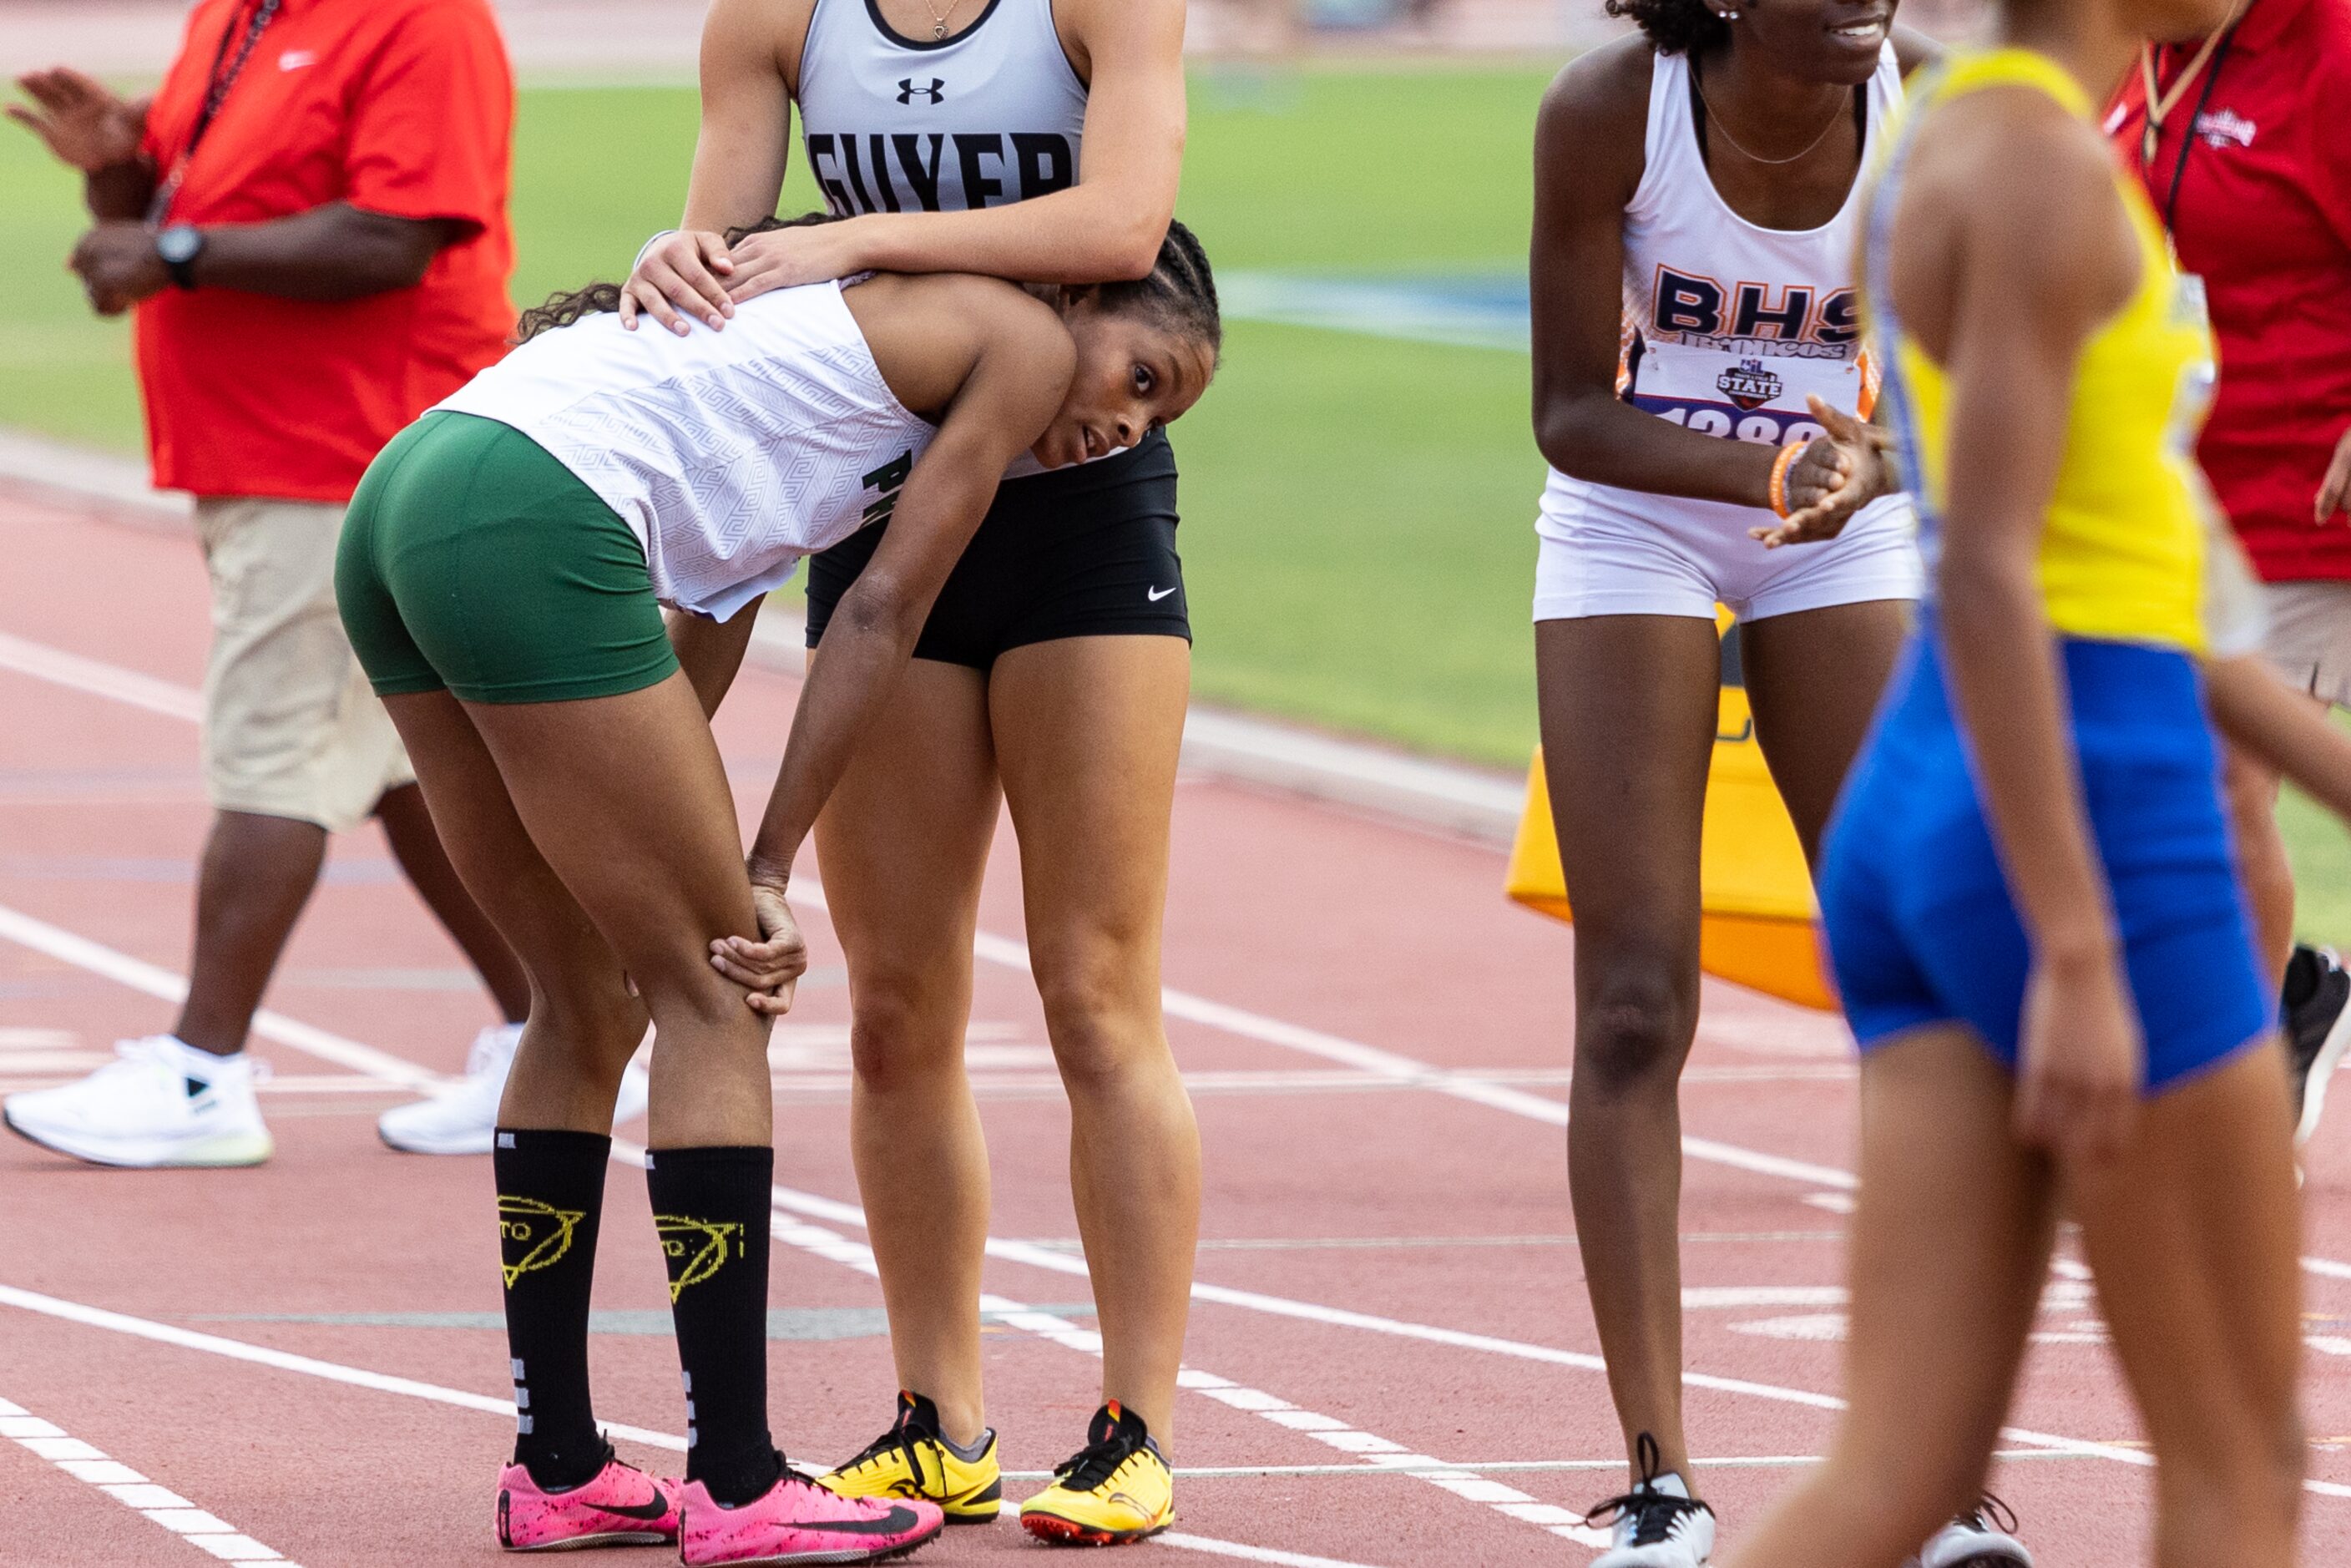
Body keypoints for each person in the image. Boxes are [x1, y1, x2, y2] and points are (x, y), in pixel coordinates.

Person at [333, 220, 1221, 1560]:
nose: (1129, 430)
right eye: (1143, 377)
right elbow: (874, 616)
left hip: (412, 494)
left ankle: (558, 1465)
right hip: (532, 515)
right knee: (717, 991)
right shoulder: (1020, 341)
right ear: (1081, 298)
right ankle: (739, 1483)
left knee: (582, 996)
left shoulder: (839, 347)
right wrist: (753, 871)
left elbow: (711, 613)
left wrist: (671, 847)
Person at [1722, 17, 2314, 1567]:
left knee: (1897, 1470)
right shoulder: (2052, 167)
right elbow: (1993, 577)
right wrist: (2072, 943)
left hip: (1940, 797)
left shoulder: (1946, 131)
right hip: (2089, 809)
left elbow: (2116, 575)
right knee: (2242, 1461)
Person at [619, 0, 1203, 1543]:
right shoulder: (771, 19)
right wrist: (684, 262)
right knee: (891, 1009)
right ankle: (938, 1417)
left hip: (1084, 517)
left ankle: (1134, 1422)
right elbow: (725, 266)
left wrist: (860, 237)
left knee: (1093, 985)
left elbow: (1124, 215)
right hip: (883, 496)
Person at [1529, 5, 2023, 1565]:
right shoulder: (1616, 105)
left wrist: (1871, 469)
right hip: (1642, 514)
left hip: (1853, 505)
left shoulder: (1931, 105)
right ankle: (1661, 1483)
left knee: (1922, 976)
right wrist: (1764, 474)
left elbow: (1978, 380)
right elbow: (1570, 411)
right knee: (1632, 999)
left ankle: (1928, 1475)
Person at [0, 1, 643, 1171]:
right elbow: (180, 215)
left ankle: (204, 1070)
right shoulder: (238, 14)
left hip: (349, 453)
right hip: (261, 446)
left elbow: (396, 234)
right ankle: (559, 1030)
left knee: (272, 749)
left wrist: (177, 253)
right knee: (404, 764)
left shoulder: (421, 21)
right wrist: (124, 177)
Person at [2105, 0, 2351, 1148]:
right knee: (2198, 796)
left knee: (2221, 794)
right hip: (2187, 495)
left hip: (2317, 494)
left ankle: (2234, 1093)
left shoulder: (2330, 48)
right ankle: (2267, 1032)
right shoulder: (2124, 50)